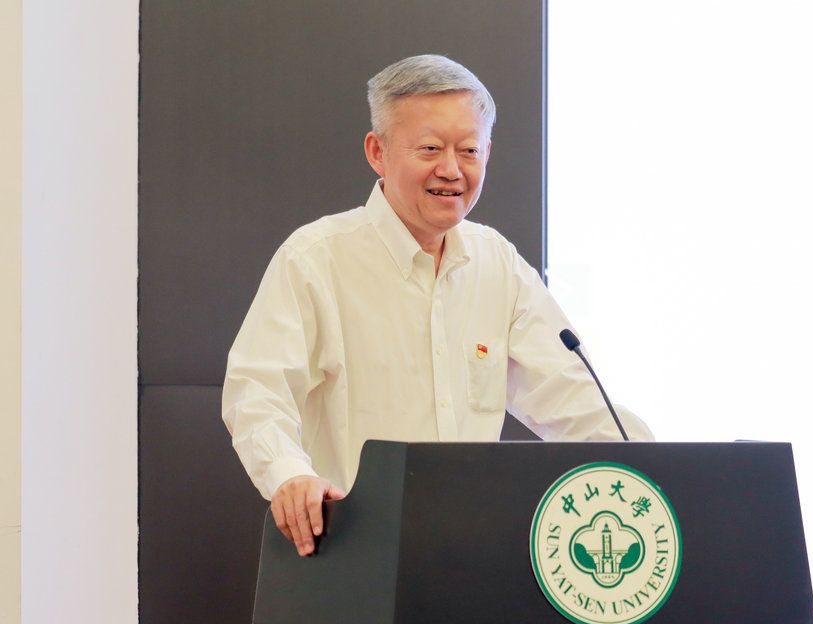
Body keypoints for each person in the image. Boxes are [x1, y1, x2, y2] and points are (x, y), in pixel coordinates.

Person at [222, 54, 651, 562]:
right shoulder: (315, 259)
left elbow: (572, 400)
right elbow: (258, 394)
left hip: (470, 556)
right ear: (377, 152)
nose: (451, 170)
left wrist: (660, 470)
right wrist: (289, 476)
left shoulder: (497, 263)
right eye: (429, 148)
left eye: (468, 150)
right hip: (348, 555)